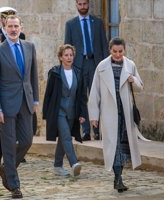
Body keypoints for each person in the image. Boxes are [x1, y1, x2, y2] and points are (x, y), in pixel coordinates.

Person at [0, 15, 39, 199]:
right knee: (8, 146)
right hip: (6, 107)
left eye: (16, 26)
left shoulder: (29, 46)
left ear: (21, 27)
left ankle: (5, 168)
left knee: (27, 141)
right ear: (5, 27)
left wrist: (35, 100)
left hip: (26, 102)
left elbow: (33, 75)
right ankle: (14, 185)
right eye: (10, 26)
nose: (13, 29)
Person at [88, 37, 143, 193]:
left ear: (124, 50)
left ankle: (118, 177)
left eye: (120, 51)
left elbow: (141, 86)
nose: (118, 55)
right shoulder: (102, 66)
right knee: (114, 145)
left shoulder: (130, 65)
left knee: (124, 146)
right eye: (115, 51)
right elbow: (95, 92)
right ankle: (118, 178)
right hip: (109, 113)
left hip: (126, 113)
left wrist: (134, 80)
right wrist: (94, 116)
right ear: (110, 50)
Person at [64, 0, 109, 141]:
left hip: (95, 63)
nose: (83, 7)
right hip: (79, 64)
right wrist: (68, 66)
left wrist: (106, 65)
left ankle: (97, 130)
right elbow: (67, 46)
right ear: (76, 5)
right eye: (80, 4)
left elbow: (104, 44)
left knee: (96, 96)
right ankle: (86, 130)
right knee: (82, 97)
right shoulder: (70, 24)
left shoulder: (98, 22)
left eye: (85, 4)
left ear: (88, 4)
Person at [43, 44, 87, 177]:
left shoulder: (78, 73)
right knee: (66, 136)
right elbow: (48, 94)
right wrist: (46, 113)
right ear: (60, 57)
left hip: (72, 112)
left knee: (63, 138)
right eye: (66, 55)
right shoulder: (55, 72)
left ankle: (57, 166)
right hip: (58, 112)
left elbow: (82, 96)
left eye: (71, 55)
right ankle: (74, 163)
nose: (69, 57)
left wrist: (82, 113)